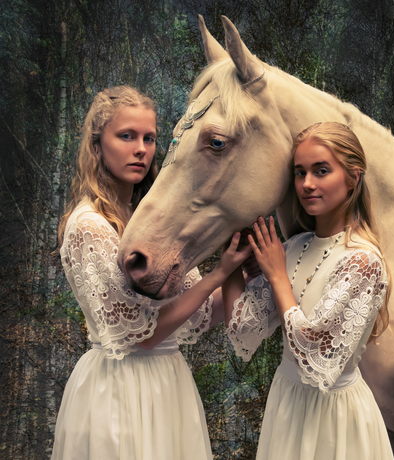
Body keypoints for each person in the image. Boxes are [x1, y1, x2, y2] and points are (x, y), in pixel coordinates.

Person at [52, 85, 252, 460]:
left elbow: (201, 313)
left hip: (169, 385)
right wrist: (218, 273)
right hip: (120, 391)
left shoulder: (150, 228)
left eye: (149, 138)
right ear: (98, 144)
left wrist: (247, 269)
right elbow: (138, 337)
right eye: (126, 136)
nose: (141, 148)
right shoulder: (89, 225)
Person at [221, 122, 394, 459]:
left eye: (321, 170)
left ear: (353, 178)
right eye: (300, 173)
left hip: (333, 418)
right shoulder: (293, 247)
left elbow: (315, 363)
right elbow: (244, 331)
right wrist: (229, 264)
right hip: (287, 403)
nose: (307, 184)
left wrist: (277, 277)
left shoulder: (363, 261)